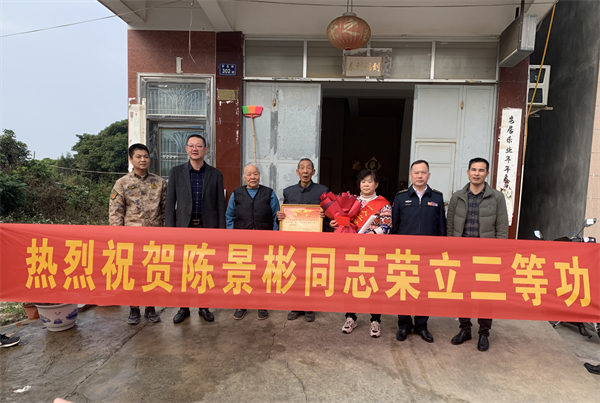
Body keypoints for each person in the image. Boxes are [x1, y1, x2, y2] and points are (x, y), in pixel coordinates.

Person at [447, 157, 508, 352]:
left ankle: (484, 333)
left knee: (485, 295)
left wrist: (499, 255)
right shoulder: (457, 197)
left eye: (481, 170)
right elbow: (450, 226)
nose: (476, 173)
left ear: (487, 174)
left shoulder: (497, 197)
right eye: (473, 169)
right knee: (463, 294)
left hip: (486, 255)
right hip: (462, 254)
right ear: (468, 172)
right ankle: (465, 329)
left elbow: (502, 228)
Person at [165, 134, 226, 324]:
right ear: (186, 149)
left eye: (199, 146)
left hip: (207, 229)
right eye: (191, 145)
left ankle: (203, 307)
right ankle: (183, 308)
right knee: (183, 270)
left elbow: (220, 205)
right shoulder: (176, 172)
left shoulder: (215, 174)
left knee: (204, 269)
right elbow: (170, 204)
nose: (195, 149)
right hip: (184, 229)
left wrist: (221, 232)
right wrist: (170, 231)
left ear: (206, 150)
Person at [109, 143, 167, 325]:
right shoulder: (122, 183)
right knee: (133, 274)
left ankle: (150, 308)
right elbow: (115, 212)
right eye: (139, 157)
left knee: (152, 273)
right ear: (131, 159)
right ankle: (134, 309)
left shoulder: (160, 182)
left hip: (155, 237)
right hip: (131, 238)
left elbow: (165, 210)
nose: (143, 160)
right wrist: (117, 237)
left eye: (146, 156)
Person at [391, 160, 446, 343]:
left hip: (428, 254)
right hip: (404, 254)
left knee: (424, 290)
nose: (420, 175)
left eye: (423, 172)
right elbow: (395, 226)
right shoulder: (401, 197)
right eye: (416, 172)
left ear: (428, 175)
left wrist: (440, 252)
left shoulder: (437, 197)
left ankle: (422, 325)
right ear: (410, 175)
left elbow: (441, 227)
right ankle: (404, 325)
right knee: (404, 288)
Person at [332, 170, 391, 337]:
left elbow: (387, 226)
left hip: (374, 250)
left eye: (370, 181)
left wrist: (370, 234)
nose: (366, 184)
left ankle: (375, 320)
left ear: (376, 184)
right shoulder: (351, 202)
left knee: (374, 284)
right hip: (352, 250)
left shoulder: (383, 203)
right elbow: (345, 222)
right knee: (351, 283)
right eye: (363, 181)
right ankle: (350, 317)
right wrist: (335, 223)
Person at [276, 158, 329, 323]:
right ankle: (295, 306)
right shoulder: (289, 191)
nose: (305, 171)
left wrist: (325, 215)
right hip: (294, 241)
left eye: (309, 168)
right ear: (297, 172)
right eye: (302, 168)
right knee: (294, 272)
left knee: (310, 274)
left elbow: (331, 215)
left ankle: (309, 307)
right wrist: (280, 216)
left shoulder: (322, 190)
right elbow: (285, 214)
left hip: (314, 241)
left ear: (314, 172)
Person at [226, 164, 280, 320]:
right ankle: (241, 305)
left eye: (255, 174)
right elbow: (229, 216)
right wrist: (232, 236)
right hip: (242, 242)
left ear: (259, 176)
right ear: (244, 177)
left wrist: (274, 236)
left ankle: (262, 305)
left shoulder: (269, 193)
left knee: (261, 273)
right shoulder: (236, 193)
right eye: (249, 174)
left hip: (264, 241)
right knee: (242, 273)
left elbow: (276, 216)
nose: (252, 177)